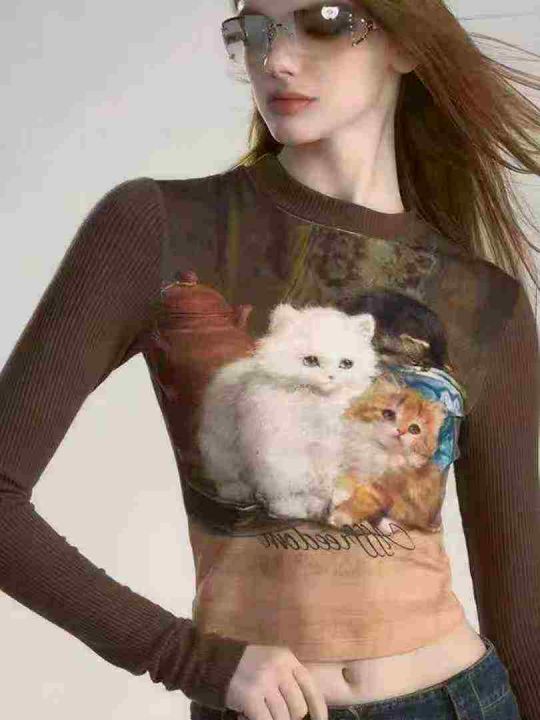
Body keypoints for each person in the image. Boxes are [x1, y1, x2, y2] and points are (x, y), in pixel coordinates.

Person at [0, 1, 539, 719]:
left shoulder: (485, 298)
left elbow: (523, 607)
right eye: (256, 28)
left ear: (406, 43)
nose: (276, 59)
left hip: (461, 700)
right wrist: (190, 660)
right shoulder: (162, 227)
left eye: (324, 18)